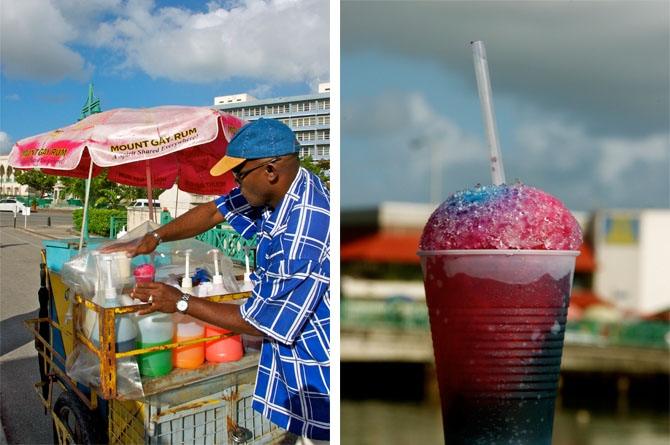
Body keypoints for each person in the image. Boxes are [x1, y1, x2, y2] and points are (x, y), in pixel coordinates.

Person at [107, 118, 330, 442]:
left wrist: (180, 301)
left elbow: (258, 323)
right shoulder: (286, 185)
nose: (235, 185)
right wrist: (155, 236)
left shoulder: (302, 235)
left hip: (317, 371)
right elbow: (215, 211)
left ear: (270, 171)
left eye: (239, 175)